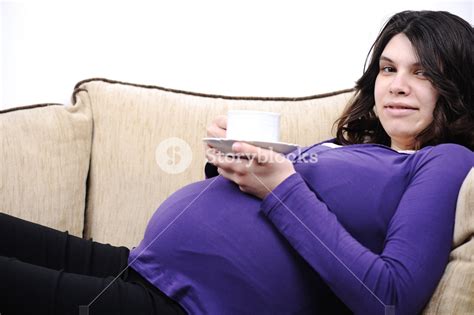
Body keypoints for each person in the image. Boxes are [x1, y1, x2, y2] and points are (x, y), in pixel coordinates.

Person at [1, 10, 473, 315]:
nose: (396, 85)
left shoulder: (445, 161)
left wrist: (278, 187)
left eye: (422, 73)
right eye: (389, 69)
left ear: (456, 86)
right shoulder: (357, 147)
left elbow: (389, 298)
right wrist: (236, 162)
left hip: (184, 306)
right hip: (142, 266)